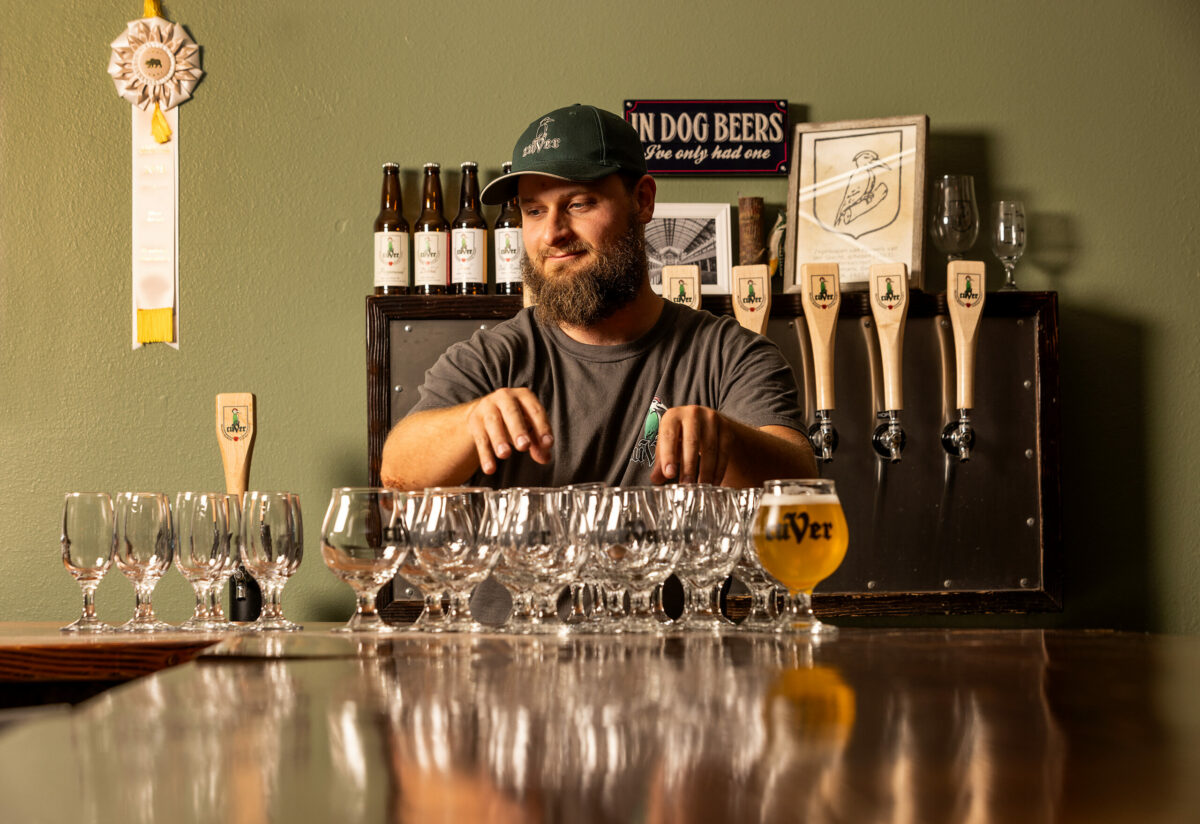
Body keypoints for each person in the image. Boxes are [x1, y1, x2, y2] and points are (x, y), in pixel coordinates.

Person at [380, 103, 815, 492]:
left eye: (579, 203)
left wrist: (729, 439)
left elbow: (800, 479)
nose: (552, 233)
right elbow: (397, 472)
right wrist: (473, 422)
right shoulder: (492, 359)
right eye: (533, 210)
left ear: (642, 201)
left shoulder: (729, 354)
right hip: (527, 587)